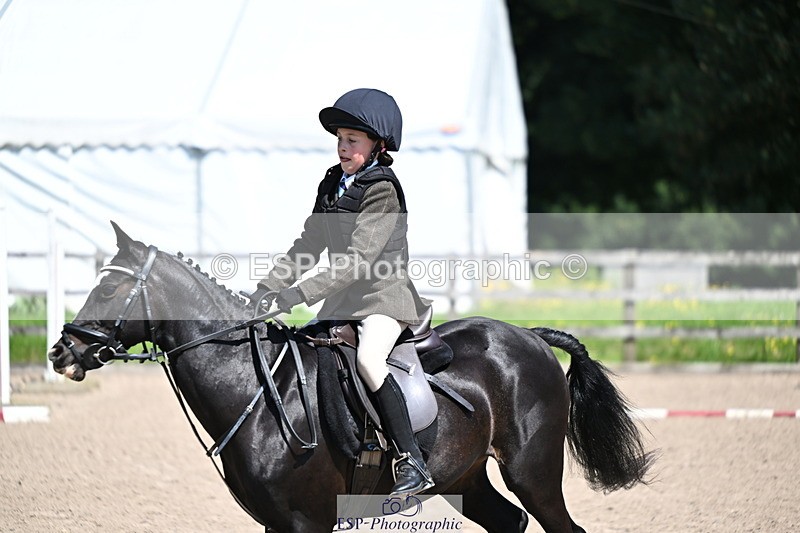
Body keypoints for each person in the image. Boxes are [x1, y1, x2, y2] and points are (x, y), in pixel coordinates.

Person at [249, 88, 434, 497]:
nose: (342, 148)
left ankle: (411, 460)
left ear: (377, 146)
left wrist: (294, 296)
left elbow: (357, 261)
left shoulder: (382, 189)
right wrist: (269, 287)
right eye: (340, 139)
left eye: (353, 140)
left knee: (368, 360)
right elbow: (308, 245)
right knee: (302, 352)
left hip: (383, 298)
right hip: (341, 301)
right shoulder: (333, 183)